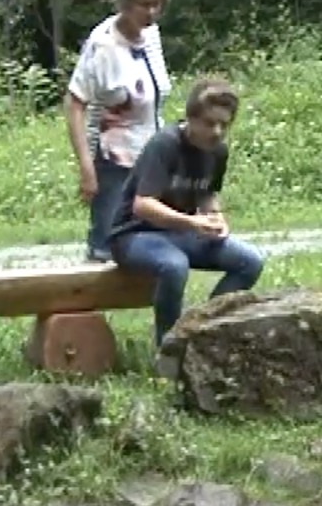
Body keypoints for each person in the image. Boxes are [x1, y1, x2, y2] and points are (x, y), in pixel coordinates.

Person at [110, 79, 266, 345]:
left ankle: (206, 329)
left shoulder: (217, 151)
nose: (217, 132)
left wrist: (215, 219)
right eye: (209, 123)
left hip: (180, 233)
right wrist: (193, 223)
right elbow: (143, 205)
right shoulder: (165, 144)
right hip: (133, 235)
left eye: (224, 125)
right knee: (174, 265)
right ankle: (169, 345)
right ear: (191, 118)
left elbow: (207, 193)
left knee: (250, 261)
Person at [67, 0, 174, 261]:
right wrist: (86, 167)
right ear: (125, 2)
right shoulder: (103, 44)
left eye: (156, 5)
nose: (151, 12)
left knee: (150, 239)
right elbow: (75, 103)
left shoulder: (151, 35)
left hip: (152, 154)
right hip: (114, 158)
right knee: (106, 242)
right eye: (144, 5)